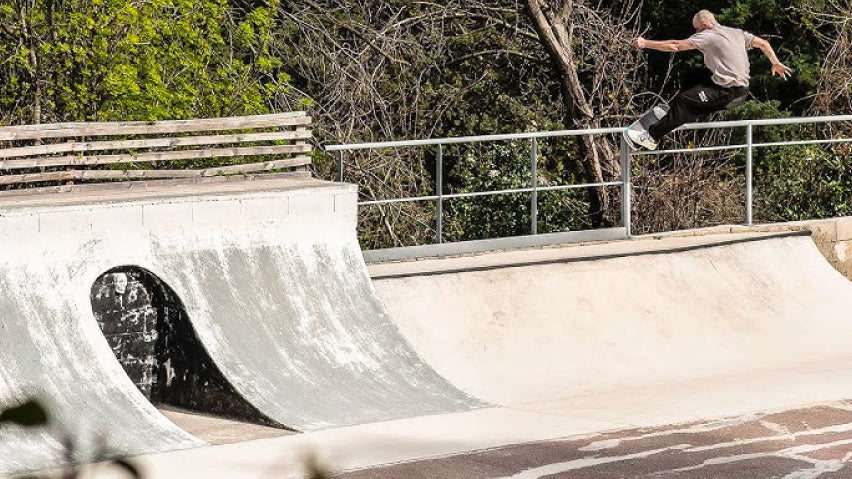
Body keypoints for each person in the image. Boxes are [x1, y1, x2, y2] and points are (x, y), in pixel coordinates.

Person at [625, 9, 792, 150]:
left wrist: (646, 43)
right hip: (734, 87)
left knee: (684, 102)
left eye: (696, 29)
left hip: (729, 93)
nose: (695, 34)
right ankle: (674, 113)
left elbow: (675, 46)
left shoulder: (707, 36)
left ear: (705, 26)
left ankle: (650, 137)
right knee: (691, 75)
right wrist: (775, 62)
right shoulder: (737, 33)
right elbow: (763, 43)